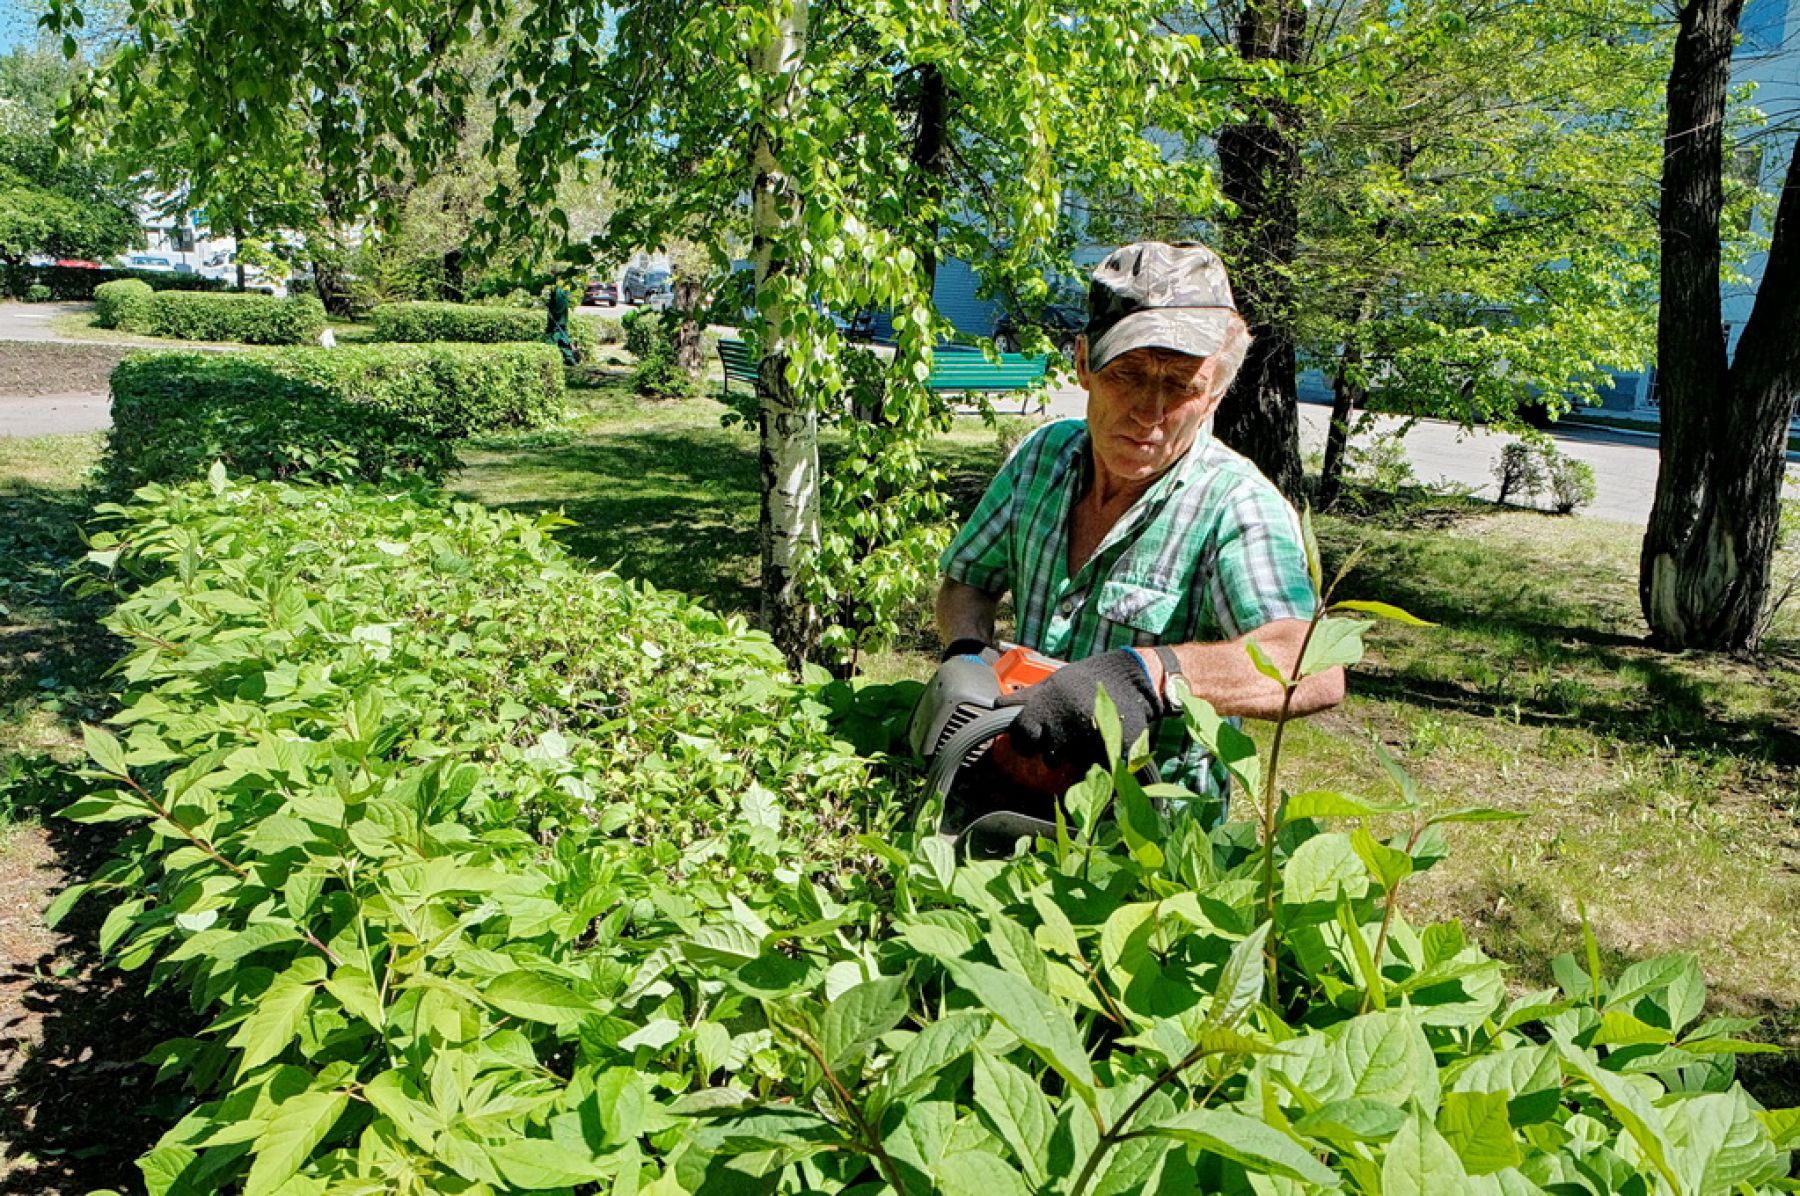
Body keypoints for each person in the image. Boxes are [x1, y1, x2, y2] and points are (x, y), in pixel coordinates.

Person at [935, 241, 1344, 819]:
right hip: (1002, 788)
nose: (1150, 411)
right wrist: (969, 653)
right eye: (1127, 373)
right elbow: (966, 584)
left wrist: (1151, 675)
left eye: (1181, 385)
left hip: (1142, 838)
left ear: (1216, 394)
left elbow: (1313, 667)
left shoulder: (1236, 506)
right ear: (1083, 362)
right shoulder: (1042, 458)